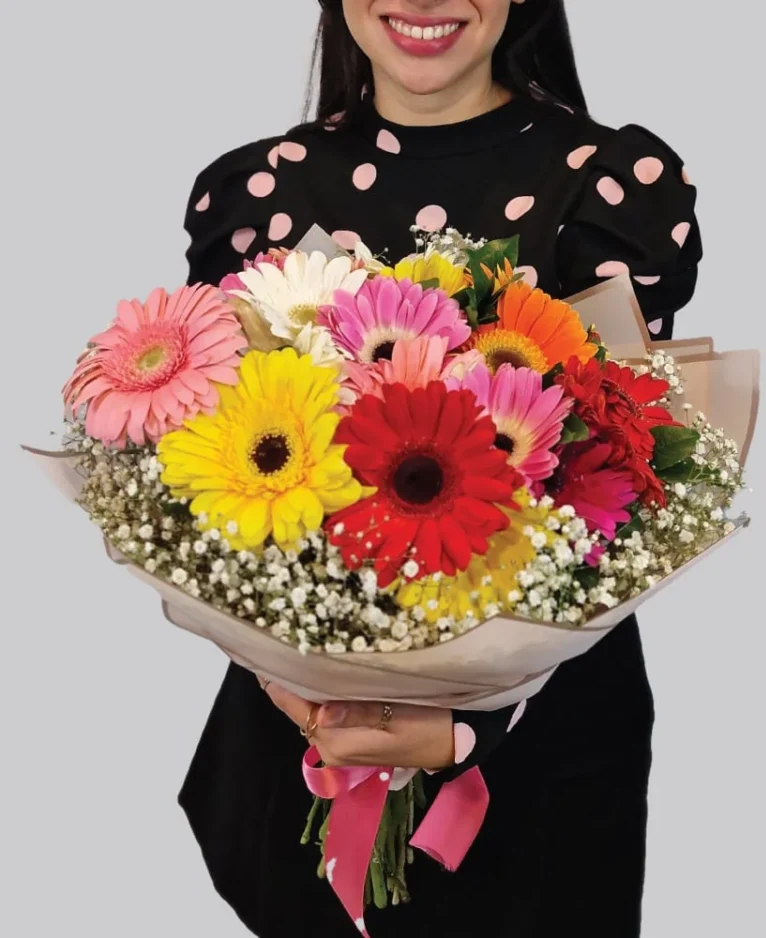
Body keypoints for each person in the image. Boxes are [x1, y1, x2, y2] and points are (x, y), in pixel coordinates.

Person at [179, 1, 702, 935]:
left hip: (546, 773)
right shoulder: (256, 190)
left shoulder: (610, 187)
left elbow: (614, 492)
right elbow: (210, 479)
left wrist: (473, 726)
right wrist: (294, 684)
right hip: (299, 754)